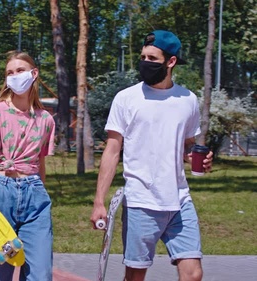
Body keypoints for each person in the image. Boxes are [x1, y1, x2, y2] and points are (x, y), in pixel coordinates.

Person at [90, 30, 214, 281]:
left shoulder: (187, 99)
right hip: (141, 202)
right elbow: (112, 150)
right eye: (143, 56)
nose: (145, 63)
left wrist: (198, 157)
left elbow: (187, 146)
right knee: (135, 275)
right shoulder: (126, 98)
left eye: (152, 58)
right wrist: (99, 201)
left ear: (171, 62)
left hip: (180, 200)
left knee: (193, 274)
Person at [0, 51, 56, 281]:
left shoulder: (46, 119)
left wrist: (40, 191)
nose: (15, 76)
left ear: (33, 73)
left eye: (20, 70)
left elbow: (41, 161)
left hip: (34, 197)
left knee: (41, 274)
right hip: (0, 194)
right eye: (10, 73)